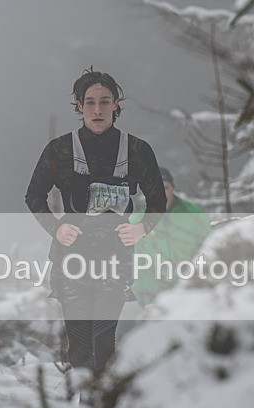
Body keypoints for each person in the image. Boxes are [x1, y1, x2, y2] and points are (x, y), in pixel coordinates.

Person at [25, 68, 166, 373]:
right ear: (79, 106)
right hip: (71, 259)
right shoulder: (60, 150)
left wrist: (141, 228)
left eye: (105, 101)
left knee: (103, 343)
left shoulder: (138, 150)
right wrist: (56, 227)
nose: (97, 109)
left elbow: (158, 202)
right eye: (90, 102)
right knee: (79, 347)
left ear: (117, 104)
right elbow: (34, 196)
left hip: (115, 260)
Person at [129, 167, 212, 306]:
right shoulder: (136, 221)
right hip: (150, 295)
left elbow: (209, 248)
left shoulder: (194, 214)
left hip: (189, 292)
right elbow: (128, 261)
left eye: (165, 188)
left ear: (173, 188)